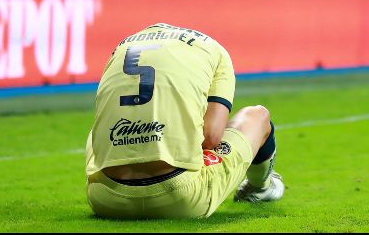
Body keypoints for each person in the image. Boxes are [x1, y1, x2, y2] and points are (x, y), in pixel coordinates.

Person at [85, 23, 284, 219]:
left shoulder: (120, 49)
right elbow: (211, 138)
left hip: (105, 199)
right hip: (181, 197)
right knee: (258, 115)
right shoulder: (214, 50)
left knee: (103, 127)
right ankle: (260, 189)